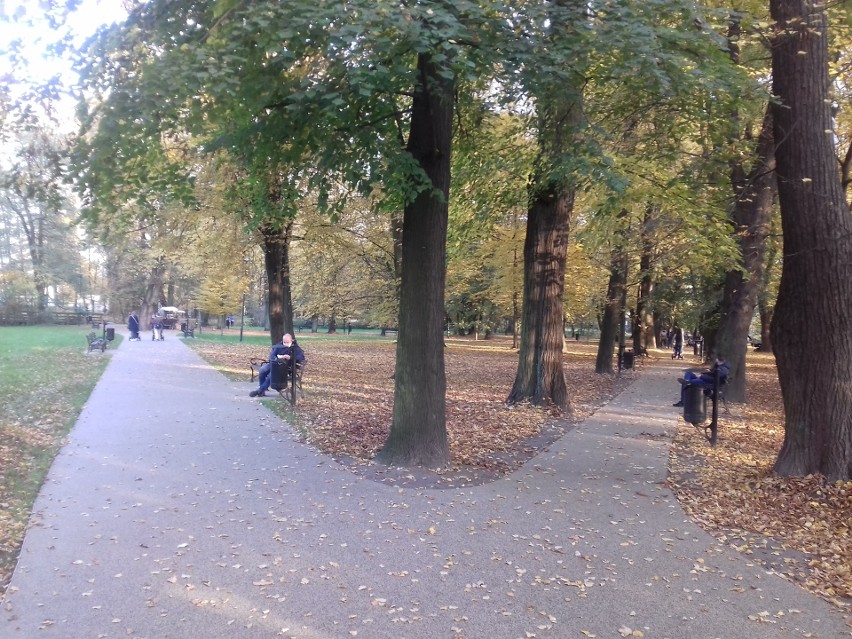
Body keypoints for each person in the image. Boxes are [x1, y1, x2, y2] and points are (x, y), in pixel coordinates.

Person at [249, 333, 306, 397]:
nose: (286, 344)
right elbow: (272, 355)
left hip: (286, 367)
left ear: (291, 340)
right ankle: (262, 390)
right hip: (275, 363)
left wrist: (290, 357)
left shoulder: (295, 348)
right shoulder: (279, 346)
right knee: (262, 370)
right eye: (284, 342)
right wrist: (277, 358)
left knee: (272, 374)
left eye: (287, 342)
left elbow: (301, 357)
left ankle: (260, 390)